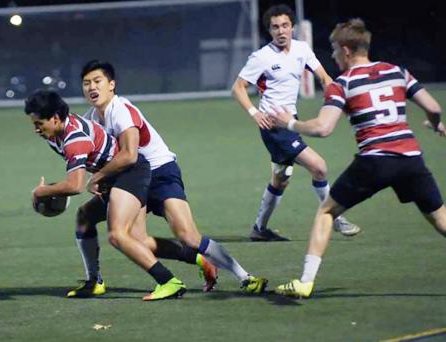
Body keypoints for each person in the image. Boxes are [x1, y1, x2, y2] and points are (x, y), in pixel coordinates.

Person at [273, 18, 446, 298]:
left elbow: (323, 128)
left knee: (327, 211)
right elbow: (433, 107)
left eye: (333, 50)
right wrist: (436, 124)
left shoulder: (343, 83)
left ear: (346, 50)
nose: (331, 56)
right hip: (411, 159)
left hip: (375, 161)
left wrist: (289, 124)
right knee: (440, 219)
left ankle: (305, 281)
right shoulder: (396, 72)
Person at [80, 60, 268, 294]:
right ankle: (200, 260)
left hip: (160, 172)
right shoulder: (91, 119)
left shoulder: (121, 110)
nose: (91, 88)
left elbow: (129, 155)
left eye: (97, 81)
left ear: (111, 85)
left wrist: (97, 177)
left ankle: (245, 277)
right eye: (86, 83)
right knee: (136, 241)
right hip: (134, 179)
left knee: (188, 235)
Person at [26, 89, 187, 301]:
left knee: (118, 235)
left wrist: (41, 192)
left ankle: (168, 281)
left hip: (132, 174)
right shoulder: (56, 132)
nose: (36, 129)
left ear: (55, 118)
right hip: (115, 178)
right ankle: (94, 281)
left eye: (39, 123)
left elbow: (75, 185)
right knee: (89, 219)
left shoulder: (74, 139)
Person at [232, 4, 360, 241]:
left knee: (280, 178)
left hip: (291, 121)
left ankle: (259, 229)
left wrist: (336, 96)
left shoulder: (302, 49)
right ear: (269, 31)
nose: (280, 31)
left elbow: (323, 77)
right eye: (275, 27)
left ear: (292, 27)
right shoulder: (261, 57)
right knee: (319, 167)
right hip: (274, 126)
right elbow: (238, 87)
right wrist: (254, 112)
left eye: (284, 26)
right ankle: (335, 218)